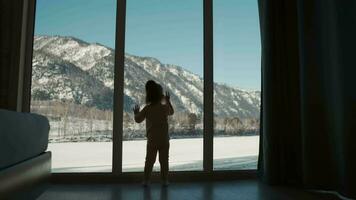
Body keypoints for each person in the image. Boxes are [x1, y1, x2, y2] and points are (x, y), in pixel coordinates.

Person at [133, 80, 174, 186]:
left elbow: (138, 119)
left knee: (149, 161)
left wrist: (136, 112)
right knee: (164, 161)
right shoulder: (164, 107)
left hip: (152, 139)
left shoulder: (147, 108)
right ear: (161, 96)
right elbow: (171, 112)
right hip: (164, 139)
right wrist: (168, 101)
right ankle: (164, 181)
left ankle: (146, 180)